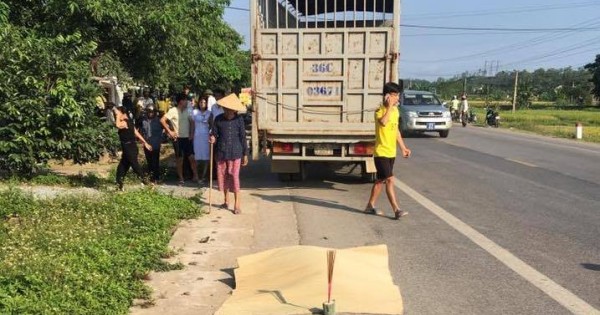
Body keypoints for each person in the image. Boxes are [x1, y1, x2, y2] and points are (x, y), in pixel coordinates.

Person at [365, 82, 411, 220]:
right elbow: (383, 122)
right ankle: (397, 210)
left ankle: (370, 205)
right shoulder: (379, 111)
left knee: (380, 181)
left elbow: (395, 130)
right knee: (390, 180)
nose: (397, 98)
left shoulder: (396, 112)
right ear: (386, 96)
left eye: (397, 95)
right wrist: (389, 107)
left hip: (391, 152)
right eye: (394, 95)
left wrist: (403, 147)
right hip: (381, 152)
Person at [209, 93, 249, 214]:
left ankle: (237, 204)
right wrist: (212, 138)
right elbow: (214, 134)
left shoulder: (239, 120)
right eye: (225, 108)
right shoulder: (218, 119)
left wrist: (245, 154)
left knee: (234, 176)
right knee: (223, 175)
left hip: (236, 152)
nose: (226, 111)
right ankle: (226, 200)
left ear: (233, 109)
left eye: (229, 109)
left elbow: (243, 137)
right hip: (221, 151)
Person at [161, 93, 199, 185]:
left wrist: (192, 134)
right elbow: (162, 120)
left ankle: (195, 175)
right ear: (181, 101)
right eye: (186, 100)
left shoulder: (188, 110)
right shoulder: (173, 110)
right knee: (179, 159)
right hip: (177, 138)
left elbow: (192, 123)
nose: (187, 102)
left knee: (192, 157)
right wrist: (170, 132)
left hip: (187, 138)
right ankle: (181, 178)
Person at [113, 105, 152, 191]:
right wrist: (145, 142)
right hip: (129, 147)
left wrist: (118, 116)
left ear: (122, 113)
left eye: (117, 114)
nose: (116, 115)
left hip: (129, 147)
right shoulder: (129, 121)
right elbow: (136, 133)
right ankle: (119, 184)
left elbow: (118, 125)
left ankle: (146, 182)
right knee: (122, 167)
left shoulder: (125, 122)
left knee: (135, 165)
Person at [141, 105, 163, 183]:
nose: (151, 113)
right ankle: (151, 178)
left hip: (156, 143)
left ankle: (156, 177)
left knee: (155, 161)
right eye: (149, 111)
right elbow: (141, 132)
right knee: (149, 161)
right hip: (147, 143)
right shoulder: (143, 120)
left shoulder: (159, 120)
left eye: (152, 112)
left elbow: (165, 128)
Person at [192, 97, 211, 183]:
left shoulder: (209, 113)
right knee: (197, 156)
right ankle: (197, 176)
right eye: (201, 102)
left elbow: (211, 125)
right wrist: (191, 135)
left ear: (206, 104)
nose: (202, 104)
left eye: (204, 102)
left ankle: (204, 176)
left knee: (206, 157)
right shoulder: (195, 112)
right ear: (198, 103)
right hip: (197, 136)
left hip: (206, 136)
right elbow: (192, 124)